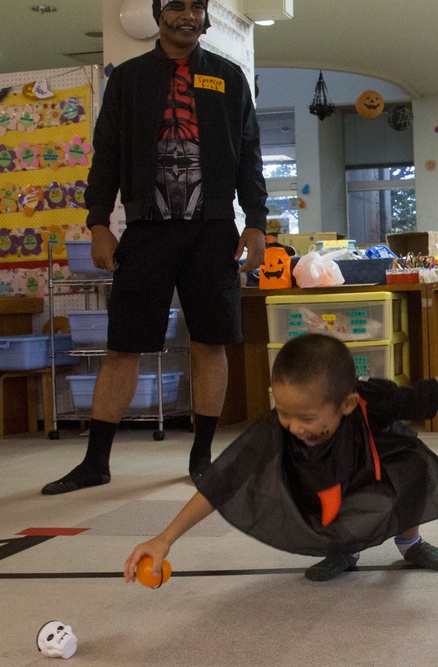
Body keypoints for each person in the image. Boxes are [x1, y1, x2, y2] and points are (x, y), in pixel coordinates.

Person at [42, 0, 267, 494]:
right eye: (175, 5)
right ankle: (96, 461)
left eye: (196, 6)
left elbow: (249, 154)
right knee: (123, 345)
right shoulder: (128, 79)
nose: (186, 15)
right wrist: (98, 222)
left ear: (206, 17)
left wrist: (256, 223)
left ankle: (202, 455)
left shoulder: (228, 78)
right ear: (158, 12)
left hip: (212, 230)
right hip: (146, 229)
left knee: (210, 341)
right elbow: (107, 155)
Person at [124, 333, 438, 582]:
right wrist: (165, 538)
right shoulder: (281, 426)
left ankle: (411, 543)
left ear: (348, 404)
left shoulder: (374, 401)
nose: (294, 426)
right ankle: (345, 549)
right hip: (315, 487)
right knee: (308, 490)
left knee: (412, 462)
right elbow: (221, 481)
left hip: (369, 469)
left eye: (306, 418)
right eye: (285, 414)